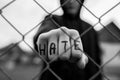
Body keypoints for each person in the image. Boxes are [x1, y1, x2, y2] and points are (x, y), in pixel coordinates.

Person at [33, 0, 102, 80]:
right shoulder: (53, 20)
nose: (71, 1)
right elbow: (44, 31)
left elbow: (97, 59)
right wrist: (51, 37)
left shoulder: (90, 29)